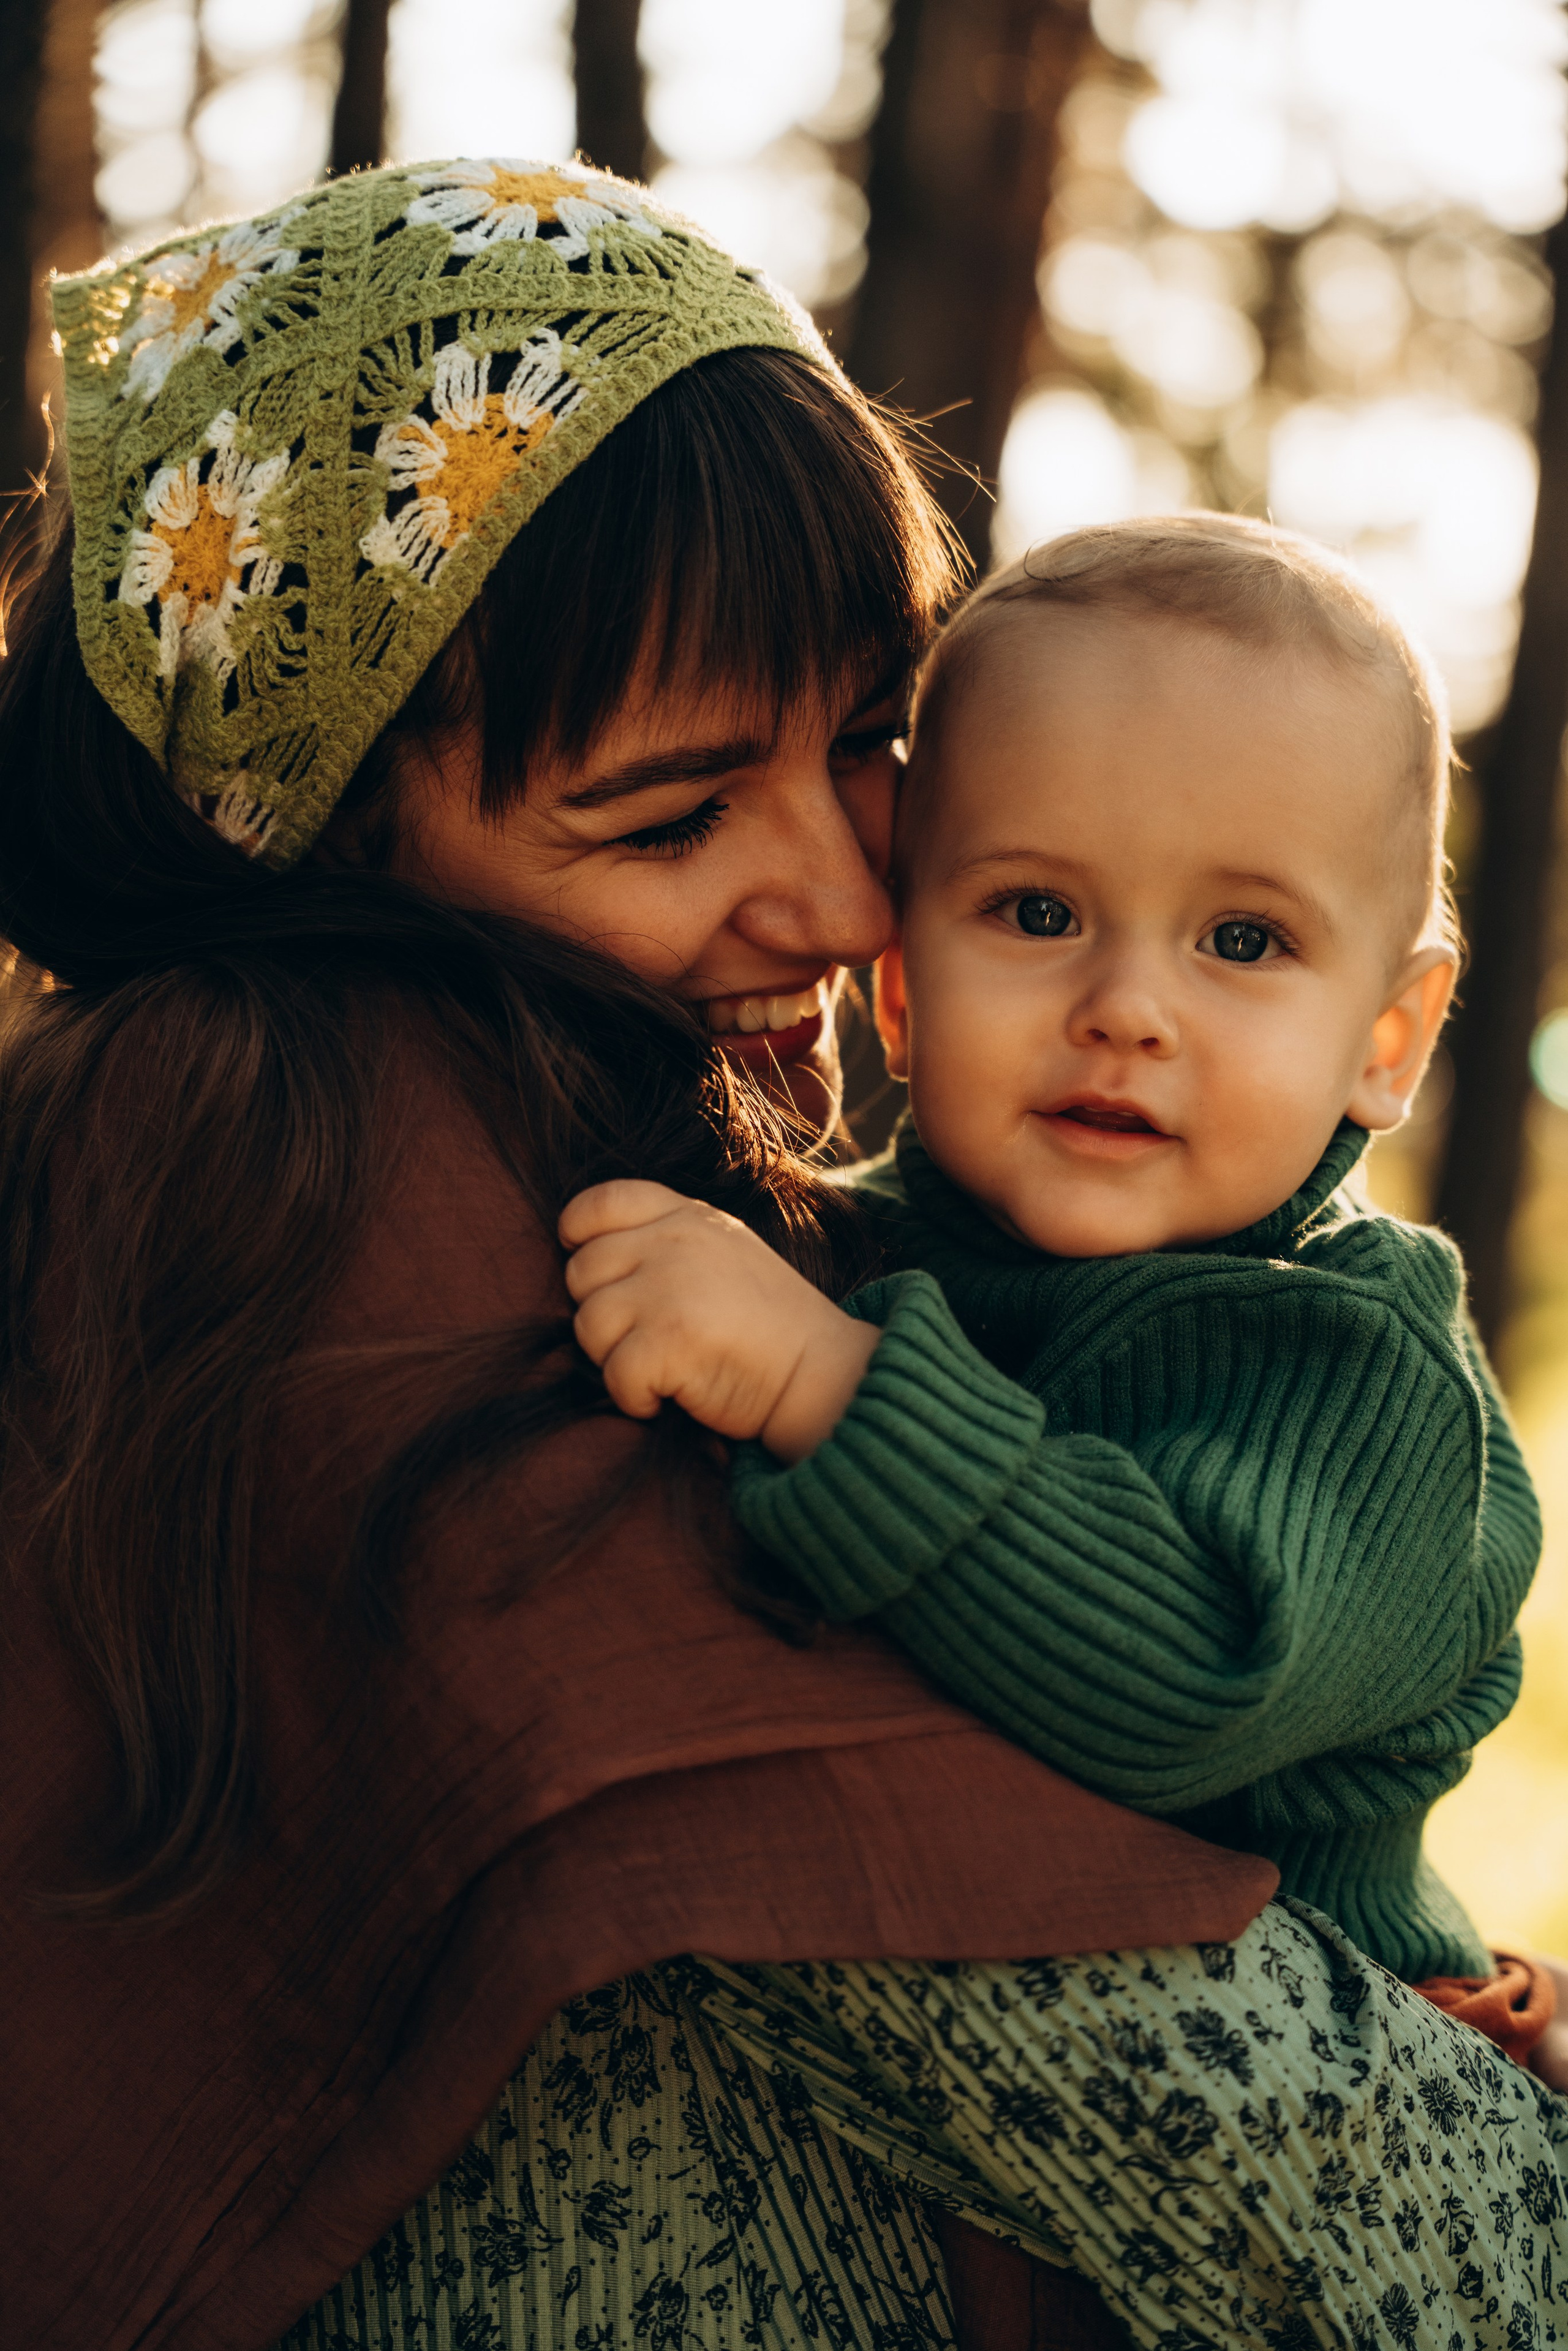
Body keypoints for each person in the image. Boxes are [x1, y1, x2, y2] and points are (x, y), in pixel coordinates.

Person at [2, 164, 1560, 2351]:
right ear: (318, 825)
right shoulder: (313, 1172)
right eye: (669, 816)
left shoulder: (1199, 1312)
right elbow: (1151, 2070)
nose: (846, 901)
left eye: (865, 738)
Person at [561, 515, 1550, 2023]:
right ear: (899, 987)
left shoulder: (1350, 1361)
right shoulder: (830, 1246)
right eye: (1038, 912)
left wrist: (828, 1384)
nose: (1125, 1006)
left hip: (1303, 2077)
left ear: (1384, 1040)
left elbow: (1184, 1682)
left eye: (1241, 938)